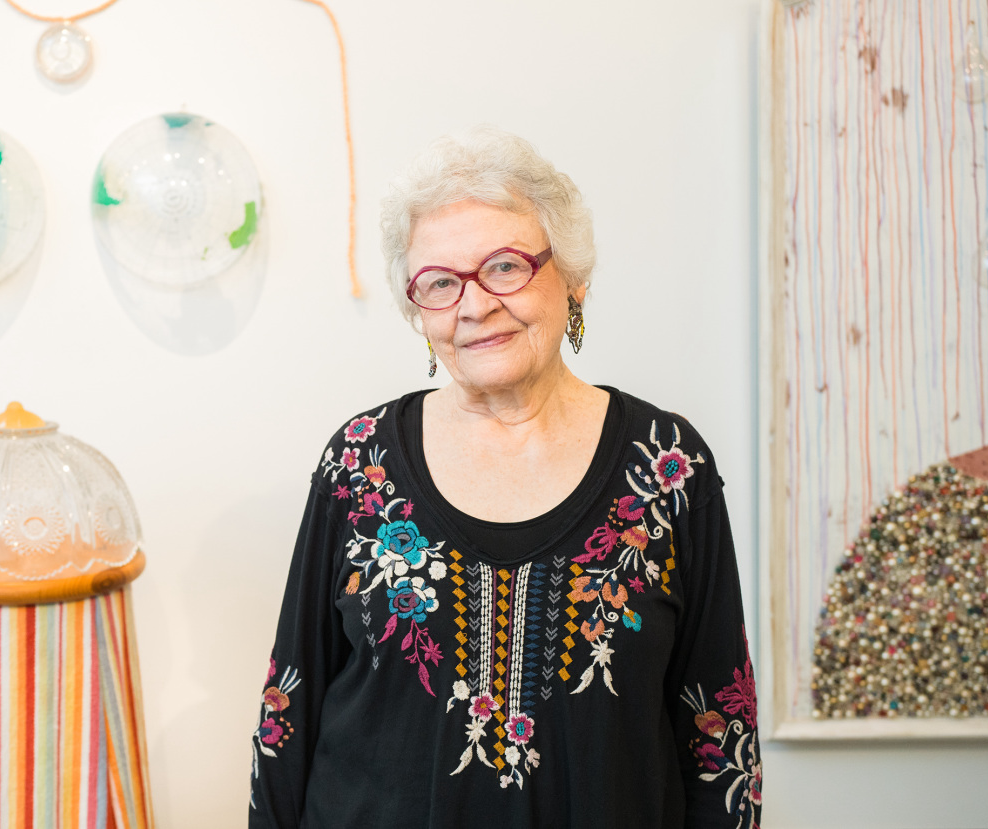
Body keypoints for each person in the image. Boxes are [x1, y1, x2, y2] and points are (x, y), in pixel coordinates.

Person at [248, 128, 760, 828]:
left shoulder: (665, 466)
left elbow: (721, 734)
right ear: (417, 311)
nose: (475, 304)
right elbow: (289, 706)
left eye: (505, 266)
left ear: (572, 276)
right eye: (439, 282)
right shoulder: (357, 463)